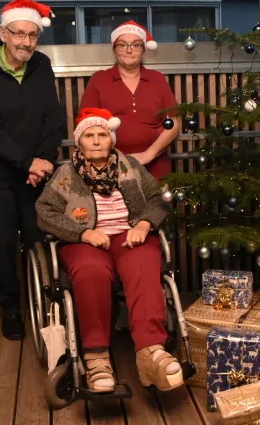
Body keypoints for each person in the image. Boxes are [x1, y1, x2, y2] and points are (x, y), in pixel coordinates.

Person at [36, 108, 183, 393]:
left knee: (143, 264)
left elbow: (158, 199)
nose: (95, 141)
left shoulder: (130, 166)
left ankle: (151, 352)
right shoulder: (65, 174)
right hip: (85, 241)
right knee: (91, 271)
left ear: (111, 140)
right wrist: (82, 233)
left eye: (101, 135)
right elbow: (44, 211)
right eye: (88, 136)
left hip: (129, 236)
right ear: (79, 143)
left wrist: (143, 224)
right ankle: (96, 357)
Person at [0, 0, 65, 340]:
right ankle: (10, 309)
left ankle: (48, 306)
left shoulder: (41, 64)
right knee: (0, 245)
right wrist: (26, 162)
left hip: (35, 173)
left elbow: (54, 119)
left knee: (39, 239)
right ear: (3, 33)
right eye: (19, 34)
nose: (26, 41)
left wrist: (42, 161)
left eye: (32, 35)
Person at [79, 21, 179, 180]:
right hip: (110, 164)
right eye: (122, 45)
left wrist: (148, 155)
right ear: (114, 49)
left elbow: (173, 124)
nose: (129, 50)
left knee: (156, 204)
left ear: (143, 50)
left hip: (156, 163)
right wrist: (118, 158)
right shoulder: (99, 79)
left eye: (136, 45)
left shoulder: (157, 79)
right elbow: (86, 124)